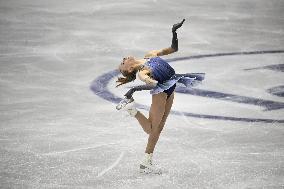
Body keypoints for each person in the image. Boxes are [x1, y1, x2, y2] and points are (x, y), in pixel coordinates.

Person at [116, 19, 205, 174]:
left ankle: (147, 162)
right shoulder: (143, 72)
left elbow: (173, 49)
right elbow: (150, 83)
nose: (123, 59)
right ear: (130, 68)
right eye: (123, 63)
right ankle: (133, 111)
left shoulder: (150, 55)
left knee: (159, 128)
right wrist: (135, 89)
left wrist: (174, 32)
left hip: (171, 87)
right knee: (152, 128)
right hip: (161, 93)